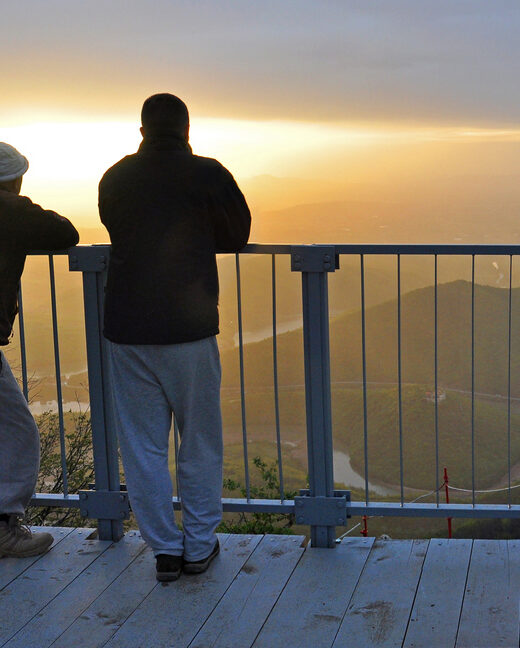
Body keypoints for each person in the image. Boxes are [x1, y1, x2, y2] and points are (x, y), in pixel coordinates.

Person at [99, 93, 251, 581]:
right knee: (199, 440)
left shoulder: (116, 176)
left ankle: (164, 549)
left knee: (142, 444)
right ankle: (199, 545)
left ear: (142, 130)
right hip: (188, 329)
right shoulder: (208, 173)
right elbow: (238, 235)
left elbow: (114, 226)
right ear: (187, 130)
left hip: (127, 328)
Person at [0, 142, 79, 557]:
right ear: (14, 180)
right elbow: (66, 232)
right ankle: (3, 528)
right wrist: (16, 201)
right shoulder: (9, 209)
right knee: (17, 431)